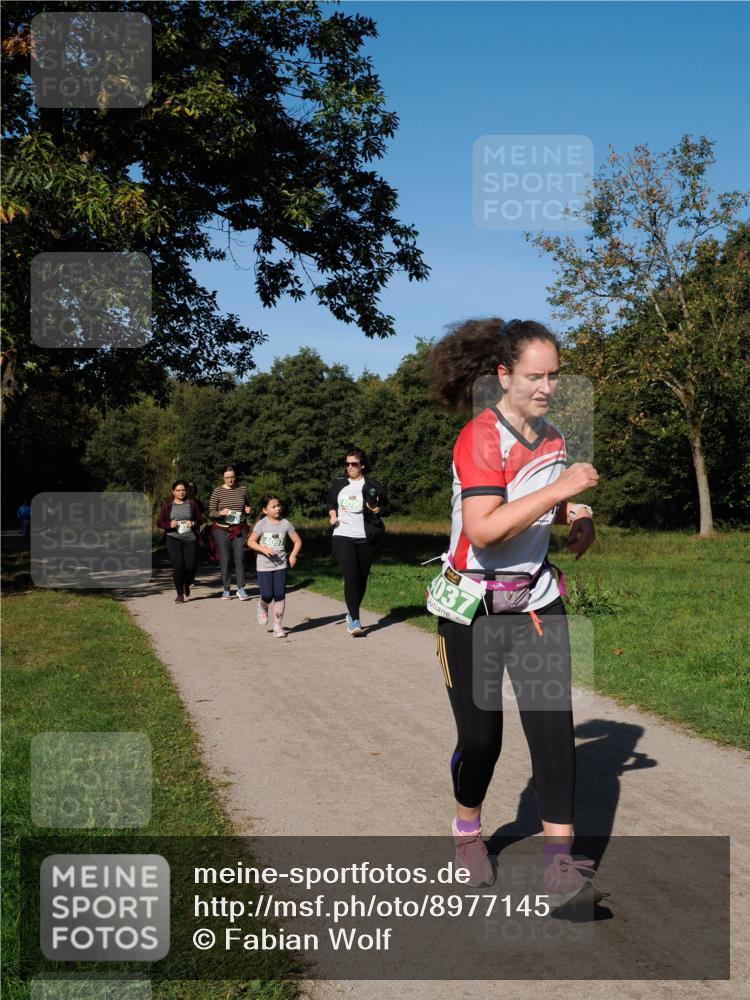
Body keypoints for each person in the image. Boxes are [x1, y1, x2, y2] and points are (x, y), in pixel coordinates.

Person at [430, 317, 600, 907]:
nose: (547, 387)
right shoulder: (480, 437)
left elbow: (536, 501)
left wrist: (574, 513)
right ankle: (468, 832)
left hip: (535, 604)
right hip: (470, 609)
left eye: (554, 375)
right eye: (535, 376)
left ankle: (561, 868)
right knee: (482, 740)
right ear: (503, 375)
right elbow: (487, 529)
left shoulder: (550, 437)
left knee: (553, 729)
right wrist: (560, 492)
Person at [327, 447, 390, 636]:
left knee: (361, 580)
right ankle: (355, 619)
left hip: (366, 538)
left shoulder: (373, 485)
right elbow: (330, 502)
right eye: (347, 464)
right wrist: (332, 516)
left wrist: (376, 509)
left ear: (362, 465)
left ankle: (351, 611)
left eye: (353, 464)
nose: (350, 467)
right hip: (342, 535)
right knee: (351, 576)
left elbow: (386, 509)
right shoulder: (339, 484)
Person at [247, 494, 302, 638]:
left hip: (281, 565)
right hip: (264, 565)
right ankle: (262, 606)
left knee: (279, 595)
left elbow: (297, 541)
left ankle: (278, 626)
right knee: (267, 595)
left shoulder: (285, 524)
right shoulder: (262, 524)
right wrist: (263, 549)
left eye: (278, 505)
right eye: (273, 506)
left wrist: (293, 555)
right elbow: (251, 542)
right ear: (265, 510)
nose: (277, 508)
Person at [208, 466, 253, 600]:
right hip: (222, 529)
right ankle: (226, 589)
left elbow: (247, 506)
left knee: (240, 558)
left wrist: (248, 510)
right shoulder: (217, 491)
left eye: (232, 477)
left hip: (240, 527)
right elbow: (211, 512)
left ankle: (241, 588)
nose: (230, 480)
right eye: (227, 477)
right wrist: (220, 513)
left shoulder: (243, 489)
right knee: (225, 559)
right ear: (223, 478)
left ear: (235, 477)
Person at [156, 480, 204, 603]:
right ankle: (179, 594)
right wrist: (169, 524)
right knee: (178, 566)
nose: (181, 492)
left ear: (186, 491)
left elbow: (200, 519)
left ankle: (187, 584)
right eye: (178, 490)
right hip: (173, 538)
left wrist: (193, 523)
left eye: (183, 490)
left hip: (190, 538)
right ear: (173, 492)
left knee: (190, 567)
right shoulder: (168, 505)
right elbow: (159, 522)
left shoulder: (192, 503)